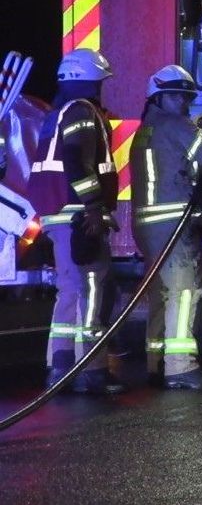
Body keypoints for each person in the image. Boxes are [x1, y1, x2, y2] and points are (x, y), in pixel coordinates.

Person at [28, 48, 125, 393]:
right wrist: (95, 206)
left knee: (69, 291)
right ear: (90, 81)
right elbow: (77, 160)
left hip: (59, 215)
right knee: (93, 290)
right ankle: (93, 371)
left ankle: (61, 369)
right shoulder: (83, 111)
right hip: (78, 216)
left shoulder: (59, 112)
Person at [131, 65, 202, 389]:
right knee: (185, 291)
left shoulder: (144, 129)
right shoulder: (173, 125)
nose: (184, 103)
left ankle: (156, 362)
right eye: (177, 96)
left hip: (148, 224)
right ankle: (181, 367)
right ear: (158, 98)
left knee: (161, 293)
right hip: (173, 223)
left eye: (187, 97)